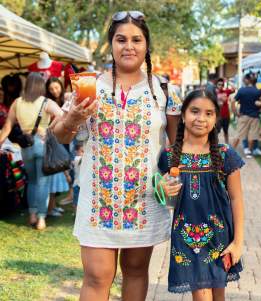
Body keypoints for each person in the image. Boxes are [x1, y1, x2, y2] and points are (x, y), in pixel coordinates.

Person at [52, 11, 181, 301]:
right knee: (97, 277)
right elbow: (60, 135)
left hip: (143, 200)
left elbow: (176, 148)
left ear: (147, 46)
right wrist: (73, 117)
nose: (129, 46)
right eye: (121, 39)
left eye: (137, 40)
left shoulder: (163, 91)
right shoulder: (89, 86)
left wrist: (174, 178)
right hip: (99, 203)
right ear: (111, 44)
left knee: (135, 272)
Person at [157, 89, 244, 301]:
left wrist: (238, 242)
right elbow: (163, 197)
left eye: (208, 113)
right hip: (186, 238)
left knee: (218, 294)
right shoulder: (168, 157)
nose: (201, 118)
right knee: (202, 295)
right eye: (194, 111)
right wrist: (161, 188)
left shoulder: (225, 155)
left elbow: (236, 199)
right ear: (183, 114)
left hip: (220, 238)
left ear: (216, 118)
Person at [0, 72, 63, 230]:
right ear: (41, 86)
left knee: (32, 181)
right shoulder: (46, 102)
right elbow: (61, 115)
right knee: (43, 183)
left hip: (25, 146)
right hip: (42, 144)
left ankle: (32, 215)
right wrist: (48, 129)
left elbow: (7, 126)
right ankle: (41, 218)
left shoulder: (17, 102)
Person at [46, 77, 74, 210]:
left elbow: (61, 115)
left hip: (69, 135)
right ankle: (68, 194)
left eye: (56, 88)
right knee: (63, 167)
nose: (54, 91)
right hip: (56, 138)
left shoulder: (67, 96)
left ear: (61, 86)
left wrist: (49, 128)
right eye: (51, 89)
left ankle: (71, 194)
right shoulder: (49, 101)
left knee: (69, 165)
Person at [232, 74, 261, 158]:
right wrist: (260, 106)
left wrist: (235, 113)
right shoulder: (258, 91)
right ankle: (249, 153)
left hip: (243, 116)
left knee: (238, 135)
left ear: (247, 80)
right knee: (252, 135)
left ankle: (230, 153)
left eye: (243, 79)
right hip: (255, 116)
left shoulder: (242, 90)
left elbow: (232, 101)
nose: (243, 80)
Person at [216, 78, 234, 144]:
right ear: (216, 85)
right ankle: (215, 146)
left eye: (222, 85)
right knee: (216, 132)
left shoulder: (226, 91)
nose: (220, 86)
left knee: (226, 131)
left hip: (226, 115)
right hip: (217, 116)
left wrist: (228, 82)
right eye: (219, 84)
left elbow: (234, 89)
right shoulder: (214, 93)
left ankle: (227, 145)